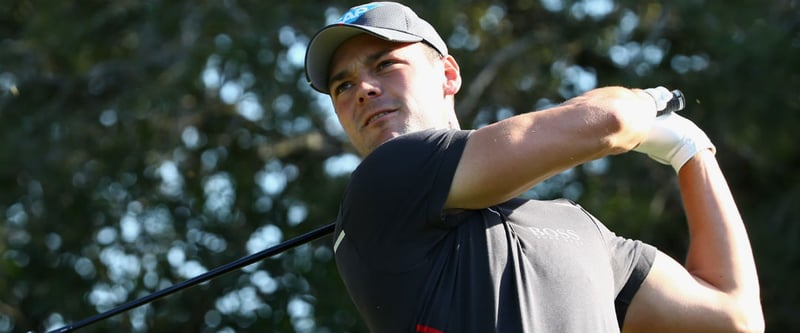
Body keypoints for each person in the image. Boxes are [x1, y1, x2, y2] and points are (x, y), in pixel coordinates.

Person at [303, 2, 764, 332]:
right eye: (342, 86)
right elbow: (612, 120)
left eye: (385, 64)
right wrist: (647, 100)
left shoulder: (579, 228)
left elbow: (734, 315)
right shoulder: (381, 183)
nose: (361, 89)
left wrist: (691, 152)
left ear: (448, 75)